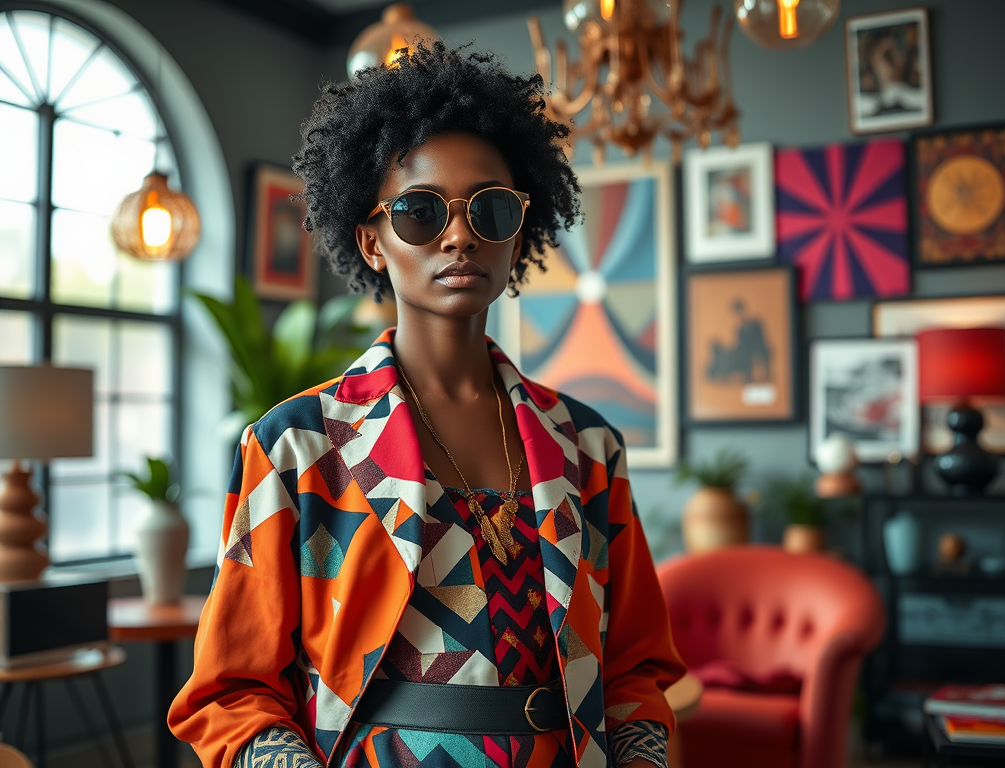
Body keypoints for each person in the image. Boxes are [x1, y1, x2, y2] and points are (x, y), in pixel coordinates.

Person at [169, 40, 685, 768]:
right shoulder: (297, 448)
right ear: (371, 242)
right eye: (417, 211)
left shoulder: (589, 449)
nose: (458, 235)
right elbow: (231, 691)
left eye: (492, 209)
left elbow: (635, 669)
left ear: (521, 233)